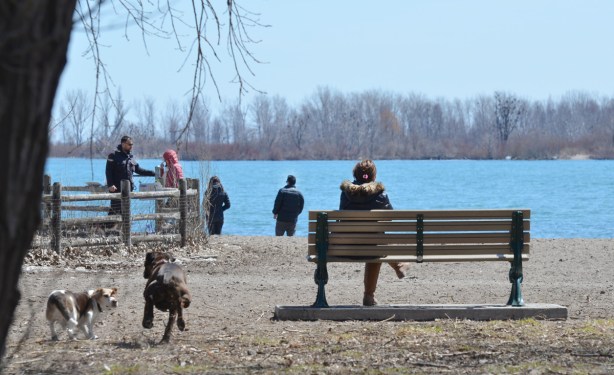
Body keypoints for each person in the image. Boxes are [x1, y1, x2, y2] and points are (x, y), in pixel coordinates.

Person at [339, 159, 410, 306]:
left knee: (374, 243)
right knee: (375, 245)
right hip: (372, 248)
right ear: (373, 176)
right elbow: (390, 219)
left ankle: (398, 266)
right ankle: (369, 295)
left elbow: (341, 218)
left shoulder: (345, 194)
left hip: (346, 247)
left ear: (355, 174)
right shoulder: (380, 195)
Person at [105, 135, 155, 216]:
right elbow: (108, 171)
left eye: (132, 144)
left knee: (125, 213)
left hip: (127, 191)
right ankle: (108, 228)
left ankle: (122, 228)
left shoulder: (130, 157)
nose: (131, 146)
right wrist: (110, 185)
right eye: (129, 144)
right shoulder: (113, 155)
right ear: (123, 144)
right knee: (114, 212)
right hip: (116, 189)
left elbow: (139, 170)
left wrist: (153, 173)